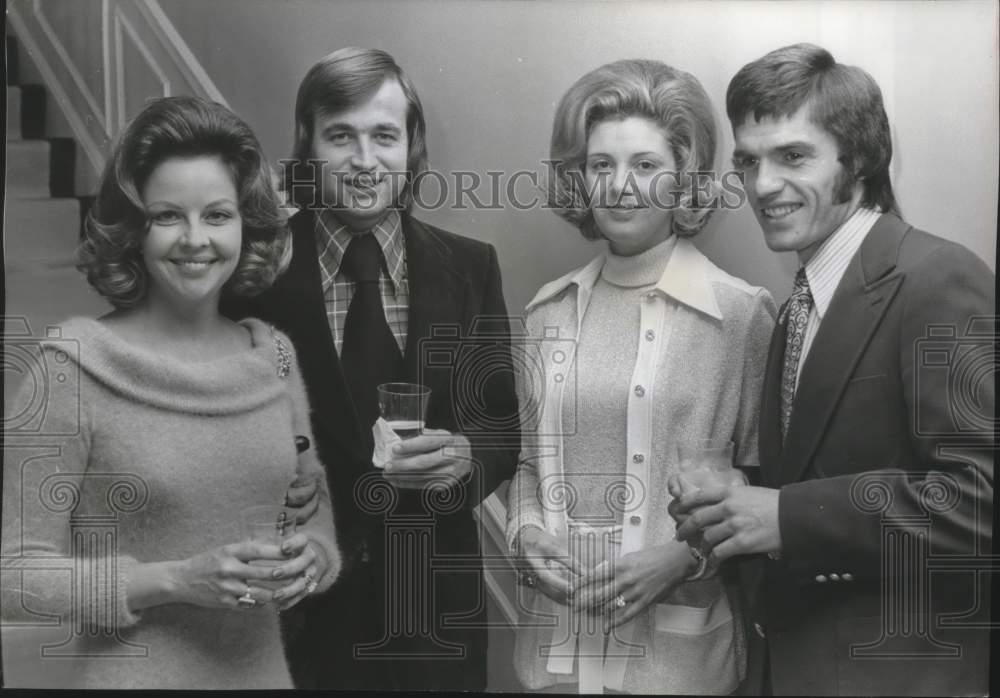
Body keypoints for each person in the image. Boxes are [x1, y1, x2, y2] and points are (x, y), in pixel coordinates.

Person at [669, 43, 994, 696]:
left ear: (861, 159)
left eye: (793, 156)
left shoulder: (935, 277)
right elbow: (828, 463)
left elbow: (984, 501)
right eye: (750, 161)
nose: (762, 186)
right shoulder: (802, 303)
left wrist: (787, 515)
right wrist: (737, 493)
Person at [0, 96, 341, 689]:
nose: (195, 239)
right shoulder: (69, 368)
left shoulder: (274, 356)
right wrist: (177, 581)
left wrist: (315, 557)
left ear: (245, 223)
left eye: (217, 215)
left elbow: (312, 513)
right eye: (166, 216)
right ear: (132, 229)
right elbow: (14, 578)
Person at [222, 47, 520, 691]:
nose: (363, 160)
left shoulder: (471, 268)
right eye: (340, 136)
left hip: (432, 614)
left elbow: (500, 426)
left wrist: (467, 457)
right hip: (295, 614)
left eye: (384, 135)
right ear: (308, 148)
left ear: (412, 147)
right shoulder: (247, 274)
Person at [505, 58, 776, 694]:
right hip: (556, 656)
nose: (621, 186)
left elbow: (767, 484)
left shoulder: (741, 314)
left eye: (646, 165)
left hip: (678, 663)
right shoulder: (548, 309)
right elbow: (525, 465)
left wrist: (684, 558)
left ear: (683, 177)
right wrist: (524, 535)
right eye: (602, 165)